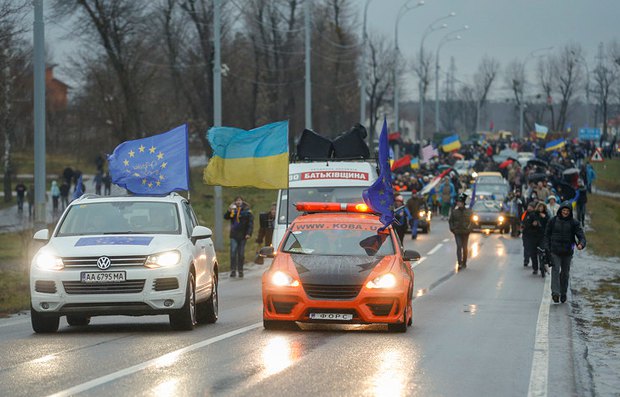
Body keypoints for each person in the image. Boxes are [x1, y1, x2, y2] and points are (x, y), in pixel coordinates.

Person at [543, 202, 586, 303]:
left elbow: (581, 236)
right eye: (564, 210)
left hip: (568, 251)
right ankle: (555, 293)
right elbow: (546, 235)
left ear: (570, 212)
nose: (565, 212)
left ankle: (563, 293)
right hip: (554, 251)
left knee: (565, 274)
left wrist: (581, 244)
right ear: (560, 210)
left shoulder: (574, 223)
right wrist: (546, 247)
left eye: (567, 211)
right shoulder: (553, 221)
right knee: (555, 270)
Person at [224, 196, 254, 278]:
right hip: (234, 235)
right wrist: (228, 211)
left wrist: (249, 233)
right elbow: (226, 217)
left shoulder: (247, 211)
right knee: (233, 253)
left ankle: (240, 270)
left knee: (241, 253)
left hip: (243, 235)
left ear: (242, 201)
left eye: (239, 200)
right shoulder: (233, 210)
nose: (238, 202)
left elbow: (250, 224)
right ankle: (233, 270)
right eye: (236, 200)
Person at [448, 193, 473, 270]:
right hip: (457, 232)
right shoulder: (454, 212)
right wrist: (453, 229)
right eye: (457, 202)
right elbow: (450, 221)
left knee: (465, 248)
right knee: (459, 246)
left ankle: (464, 262)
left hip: (465, 232)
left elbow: (472, 222)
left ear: (463, 203)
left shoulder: (469, 212)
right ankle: (459, 262)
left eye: (460, 202)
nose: (458, 203)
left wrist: (469, 229)